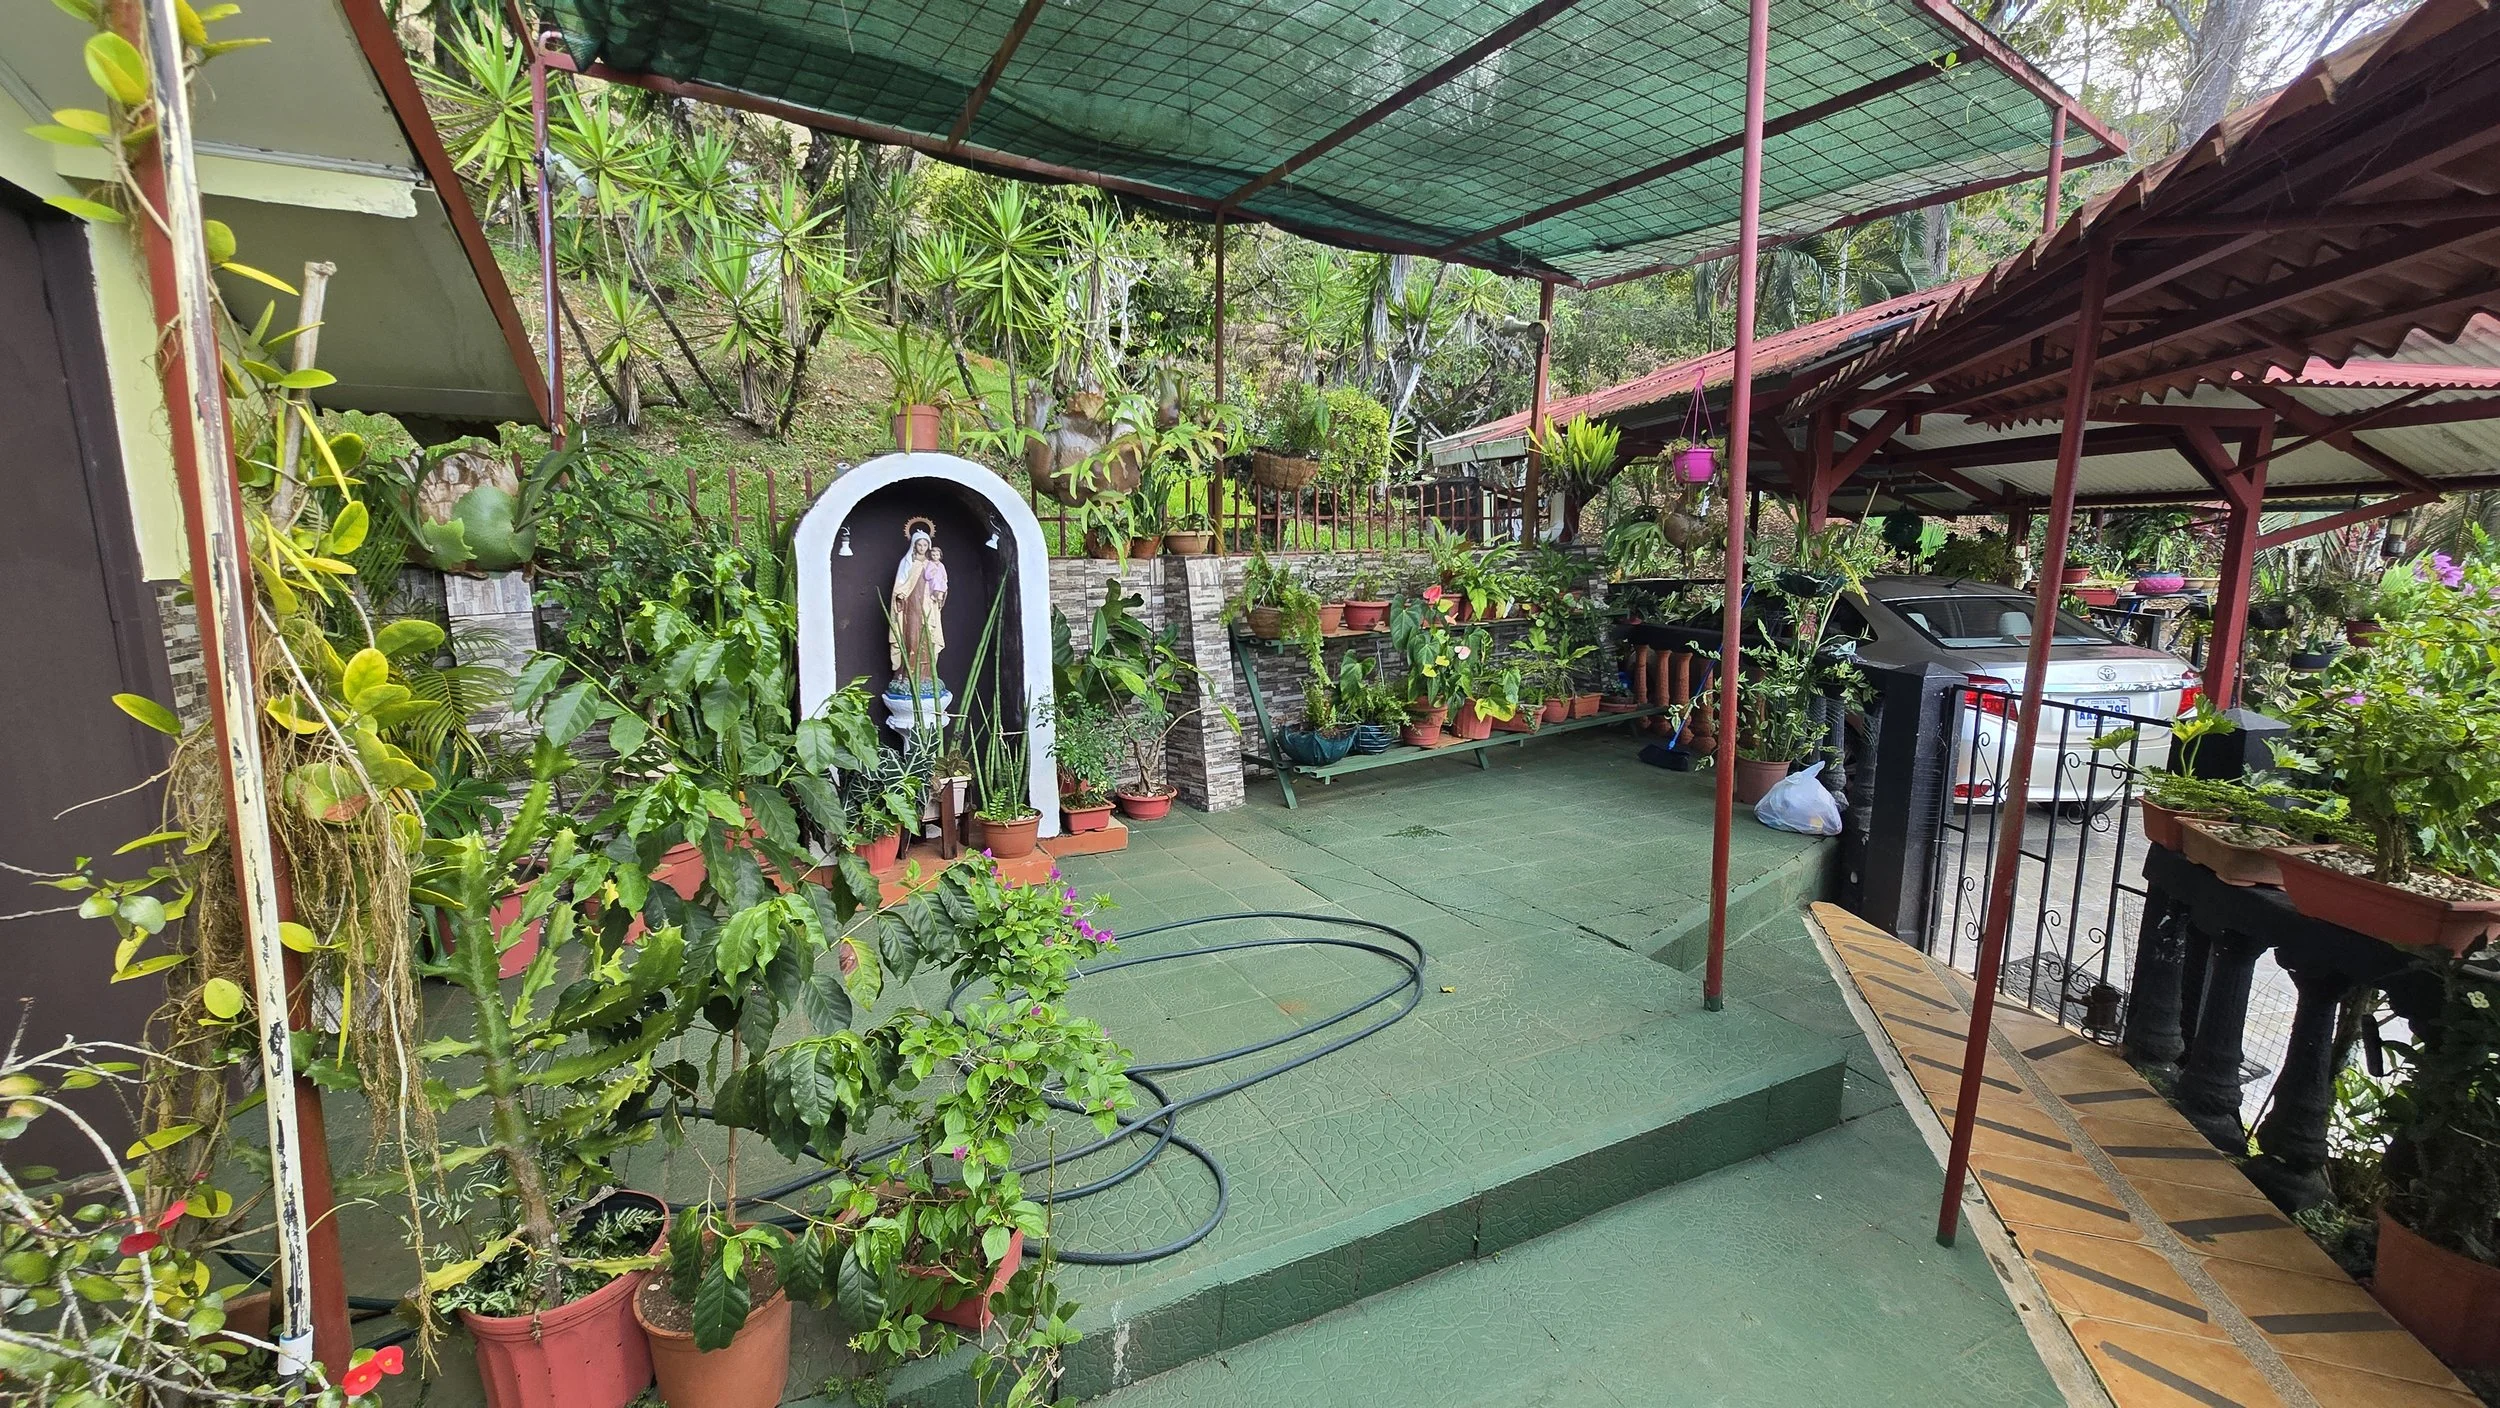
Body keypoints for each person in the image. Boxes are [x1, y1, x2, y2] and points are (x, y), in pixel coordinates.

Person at [889, 524, 947, 688]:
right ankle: (906, 675)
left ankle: (926, 676)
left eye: (925, 545)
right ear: (914, 545)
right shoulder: (907, 563)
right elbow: (900, 585)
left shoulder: (932, 564)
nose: (922, 548)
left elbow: (941, 582)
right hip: (911, 607)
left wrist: (940, 593)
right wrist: (900, 596)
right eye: (919, 544)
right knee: (911, 639)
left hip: (928, 606)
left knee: (928, 639)